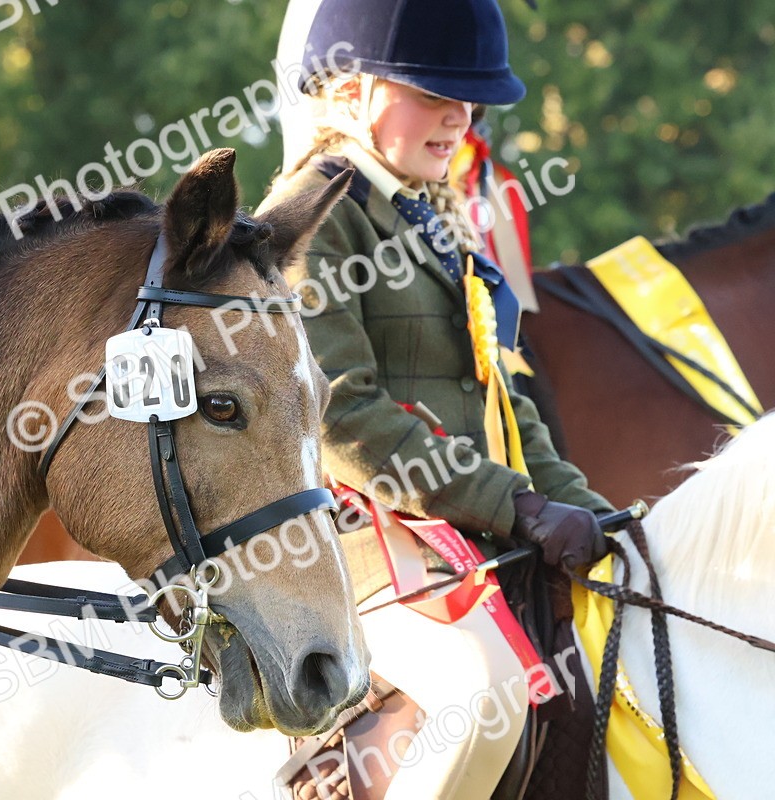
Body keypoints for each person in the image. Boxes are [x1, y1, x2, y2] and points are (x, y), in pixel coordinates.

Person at [258, 0, 613, 797]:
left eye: (469, 98)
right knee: (482, 694)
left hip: (455, 535)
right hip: (347, 545)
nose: (460, 117)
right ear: (350, 89)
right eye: (433, 93)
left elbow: (498, 400)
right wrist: (516, 507)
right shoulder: (313, 217)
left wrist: (591, 511)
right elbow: (340, 416)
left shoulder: (430, 214)